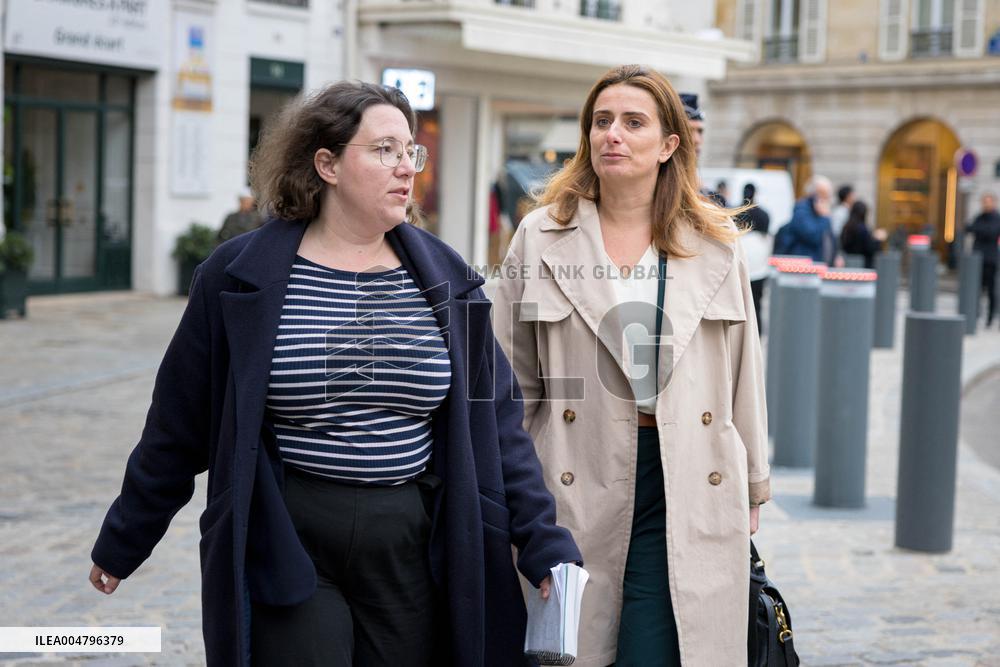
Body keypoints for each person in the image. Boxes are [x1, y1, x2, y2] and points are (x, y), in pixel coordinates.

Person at [89, 81, 581, 667]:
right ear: (326, 163)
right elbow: (178, 420)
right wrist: (126, 537)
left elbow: (497, 425)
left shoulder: (447, 281)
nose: (407, 168)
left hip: (413, 542)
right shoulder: (238, 276)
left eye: (410, 152)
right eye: (384, 151)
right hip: (288, 535)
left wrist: (541, 538)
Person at [494, 65, 770, 667]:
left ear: (670, 145)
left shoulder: (717, 243)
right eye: (601, 121)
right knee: (573, 649)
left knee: (659, 650)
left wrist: (753, 485)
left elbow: (744, 375)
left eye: (632, 122)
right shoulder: (540, 236)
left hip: (687, 476)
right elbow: (505, 381)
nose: (611, 134)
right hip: (571, 473)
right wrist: (507, 493)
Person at [736, 182, 772, 329]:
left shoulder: (735, 212)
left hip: (740, 262)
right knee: (756, 303)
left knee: (738, 303)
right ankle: (756, 331)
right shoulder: (763, 215)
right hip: (758, 265)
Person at [783, 175, 838, 265]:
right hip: (805, 266)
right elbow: (812, 236)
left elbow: (830, 237)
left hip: (820, 264)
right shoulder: (802, 209)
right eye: (824, 195)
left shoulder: (821, 212)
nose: (827, 200)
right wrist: (824, 217)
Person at [966, 192, 1000, 326]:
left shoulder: (996, 218)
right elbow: (968, 228)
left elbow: (991, 232)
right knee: (975, 289)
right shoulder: (979, 217)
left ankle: (990, 317)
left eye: (988, 201)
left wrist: (978, 230)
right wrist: (980, 230)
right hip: (976, 258)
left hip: (991, 259)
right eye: (984, 202)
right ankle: (975, 314)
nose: (986, 204)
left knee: (991, 290)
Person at [839, 200, 886, 269]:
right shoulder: (862, 228)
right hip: (863, 265)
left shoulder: (846, 227)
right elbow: (869, 248)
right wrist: (878, 239)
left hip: (848, 263)